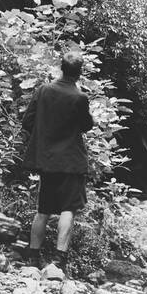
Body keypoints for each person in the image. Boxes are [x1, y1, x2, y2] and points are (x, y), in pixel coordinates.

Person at [21, 50, 96, 271]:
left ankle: (33, 256)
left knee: (43, 209)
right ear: (79, 73)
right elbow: (86, 126)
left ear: (61, 68)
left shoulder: (43, 90)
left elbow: (28, 121)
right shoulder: (79, 97)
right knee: (68, 209)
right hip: (71, 162)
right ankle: (59, 260)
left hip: (47, 161)